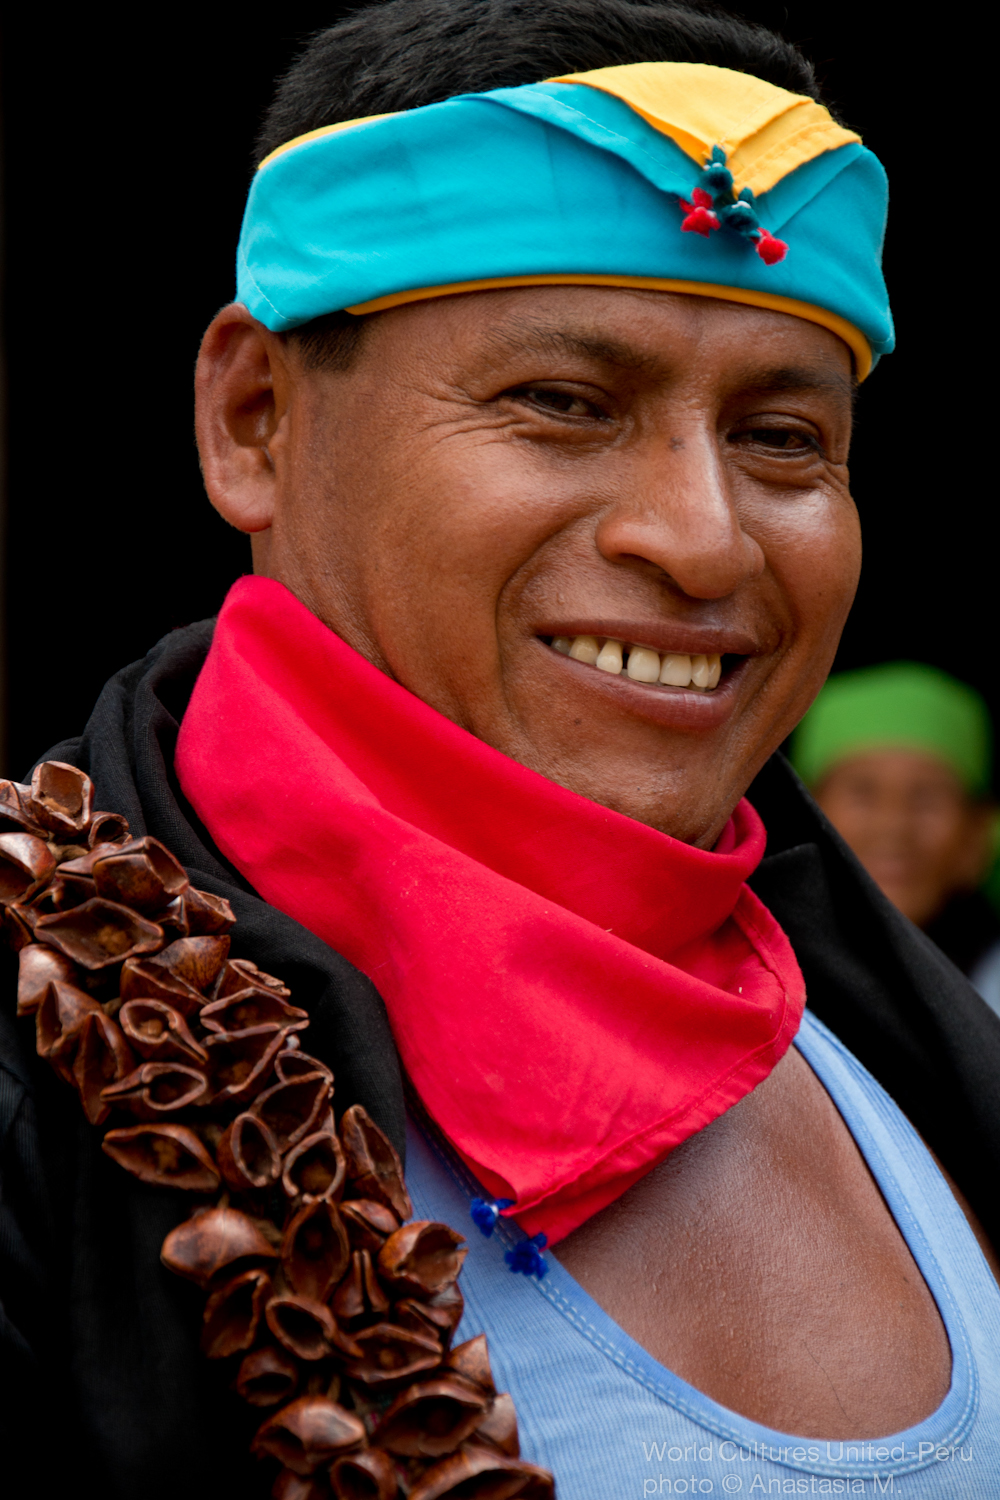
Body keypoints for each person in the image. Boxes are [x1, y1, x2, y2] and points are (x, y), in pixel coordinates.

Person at [2, 3, 999, 1497]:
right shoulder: (38, 1063)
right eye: (563, 405)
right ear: (255, 420)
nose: (703, 540)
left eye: (783, 437)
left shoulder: (903, 1038)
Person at [791, 661, 1000, 1010]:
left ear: (976, 836)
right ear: (804, 815)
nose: (893, 828)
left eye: (927, 798)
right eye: (862, 793)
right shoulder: (748, 978)